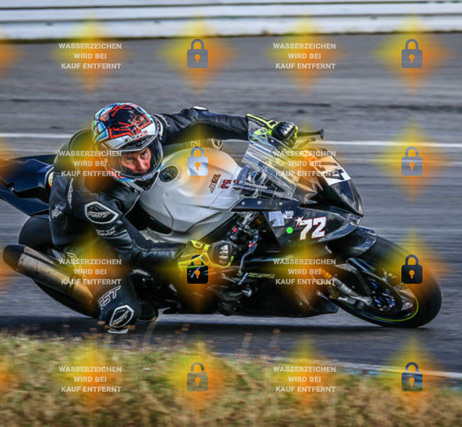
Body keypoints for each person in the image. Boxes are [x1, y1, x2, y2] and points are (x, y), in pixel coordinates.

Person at [49, 103, 298, 333]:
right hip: (85, 235)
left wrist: (262, 129)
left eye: (144, 154)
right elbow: (135, 250)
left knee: (202, 137)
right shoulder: (94, 198)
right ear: (110, 159)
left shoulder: (142, 132)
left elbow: (195, 119)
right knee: (128, 313)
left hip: (123, 195)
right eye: (129, 159)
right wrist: (193, 253)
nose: (141, 165)